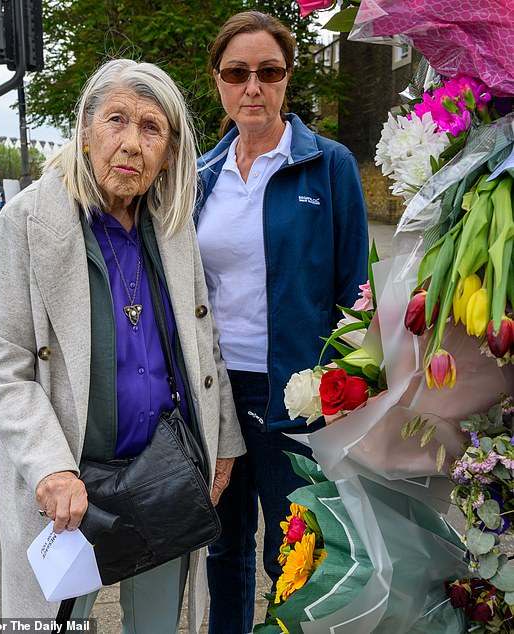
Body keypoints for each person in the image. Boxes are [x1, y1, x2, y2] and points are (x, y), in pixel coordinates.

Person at [0, 59, 245, 633]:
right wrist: (49, 469)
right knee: (60, 620)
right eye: (116, 120)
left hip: (161, 473)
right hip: (70, 487)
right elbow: (4, 365)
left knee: (155, 624)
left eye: (151, 128)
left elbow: (205, 344)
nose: (130, 143)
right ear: (86, 129)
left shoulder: (171, 227)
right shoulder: (28, 221)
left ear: (169, 151)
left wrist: (223, 444)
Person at [194, 11, 369, 633]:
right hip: (217, 390)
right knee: (225, 545)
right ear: (218, 80)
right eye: (237, 72)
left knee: (296, 550)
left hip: (295, 392)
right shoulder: (200, 178)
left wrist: (348, 385)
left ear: (287, 79)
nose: (253, 87)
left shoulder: (329, 165)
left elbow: (359, 291)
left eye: (268, 72)